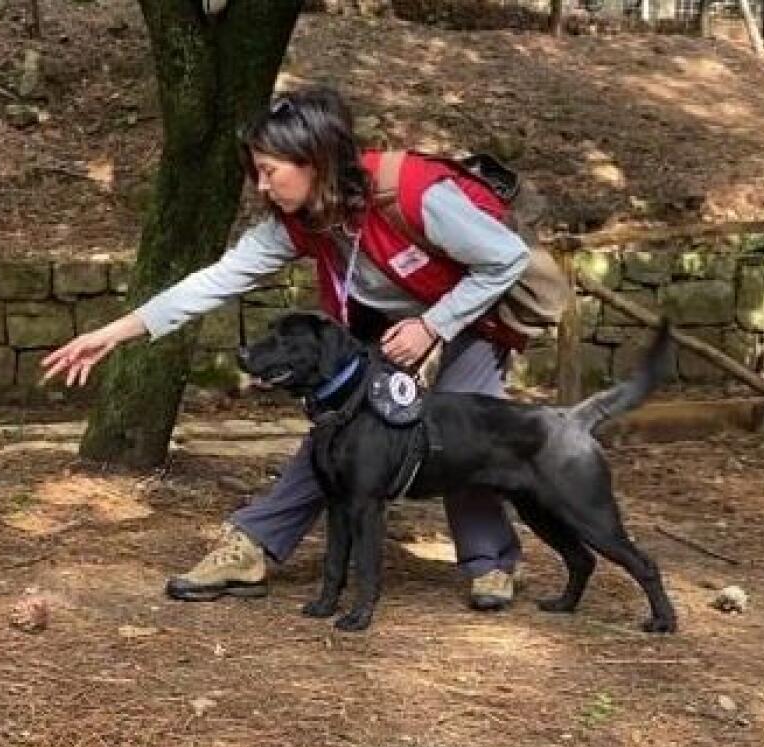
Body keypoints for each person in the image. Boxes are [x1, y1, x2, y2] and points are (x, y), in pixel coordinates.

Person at [41, 86, 532, 611]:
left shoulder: (412, 192)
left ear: (315, 157)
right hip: (389, 330)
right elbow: (215, 281)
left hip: (468, 316)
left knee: (466, 432)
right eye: (256, 171)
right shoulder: (301, 221)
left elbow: (506, 259)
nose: (262, 185)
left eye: (270, 170)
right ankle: (251, 547)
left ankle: (491, 562)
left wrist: (435, 325)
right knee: (338, 429)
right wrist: (112, 334)